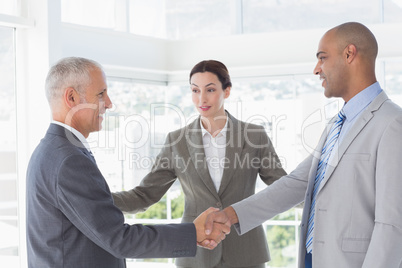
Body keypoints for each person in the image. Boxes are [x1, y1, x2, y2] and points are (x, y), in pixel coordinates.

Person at [205, 22, 402, 268]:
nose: (316, 69)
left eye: (322, 58)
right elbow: (297, 183)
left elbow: (392, 225)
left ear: (349, 54)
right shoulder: (336, 125)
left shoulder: (392, 124)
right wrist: (231, 215)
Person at [26, 57, 230, 268]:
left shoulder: (51, 151)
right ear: (71, 97)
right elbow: (120, 239)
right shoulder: (69, 160)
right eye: (100, 94)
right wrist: (192, 232)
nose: (109, 103)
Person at [112, 60, 287, 267]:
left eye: (210, 89)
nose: (201, 98)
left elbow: (283, 187)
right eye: (195, 90)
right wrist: (95, 199)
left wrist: (318, 192)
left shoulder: (254, 136)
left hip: (246, 252)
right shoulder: (177, 141)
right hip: (195, 255)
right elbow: (144, 195)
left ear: (227, 91)